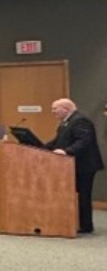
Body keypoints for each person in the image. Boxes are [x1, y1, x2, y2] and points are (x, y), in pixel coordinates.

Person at [45, 98, 104, 234]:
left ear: (66, 109)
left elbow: (84, 141)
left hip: (84, 165)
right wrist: (40, 147)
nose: (53, 111)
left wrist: (66, 151)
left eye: (55, 108)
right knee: (76, 194)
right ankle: (76, 222)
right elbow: (57, 141)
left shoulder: (80, 121)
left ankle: (85, 225)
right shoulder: (66, 122)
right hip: (72, 165)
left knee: (83, 195)